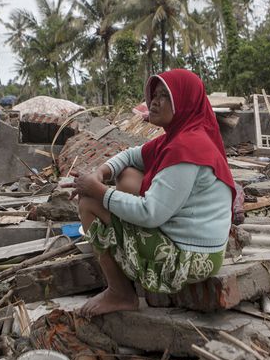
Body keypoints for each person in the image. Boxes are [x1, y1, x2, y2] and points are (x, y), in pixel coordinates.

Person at [66, 69, 236, 318]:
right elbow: (132, 155)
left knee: (90, 201)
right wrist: (101, 173)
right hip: (200, 248)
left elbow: (150, 213)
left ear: (184, 101)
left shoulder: (187, 147)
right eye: (154, 95)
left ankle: (120, 292)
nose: (154, 102)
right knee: (128, 173)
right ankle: (123, 284)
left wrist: (98, 190)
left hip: (190, 257)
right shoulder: (181, 136)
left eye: (165, 96)